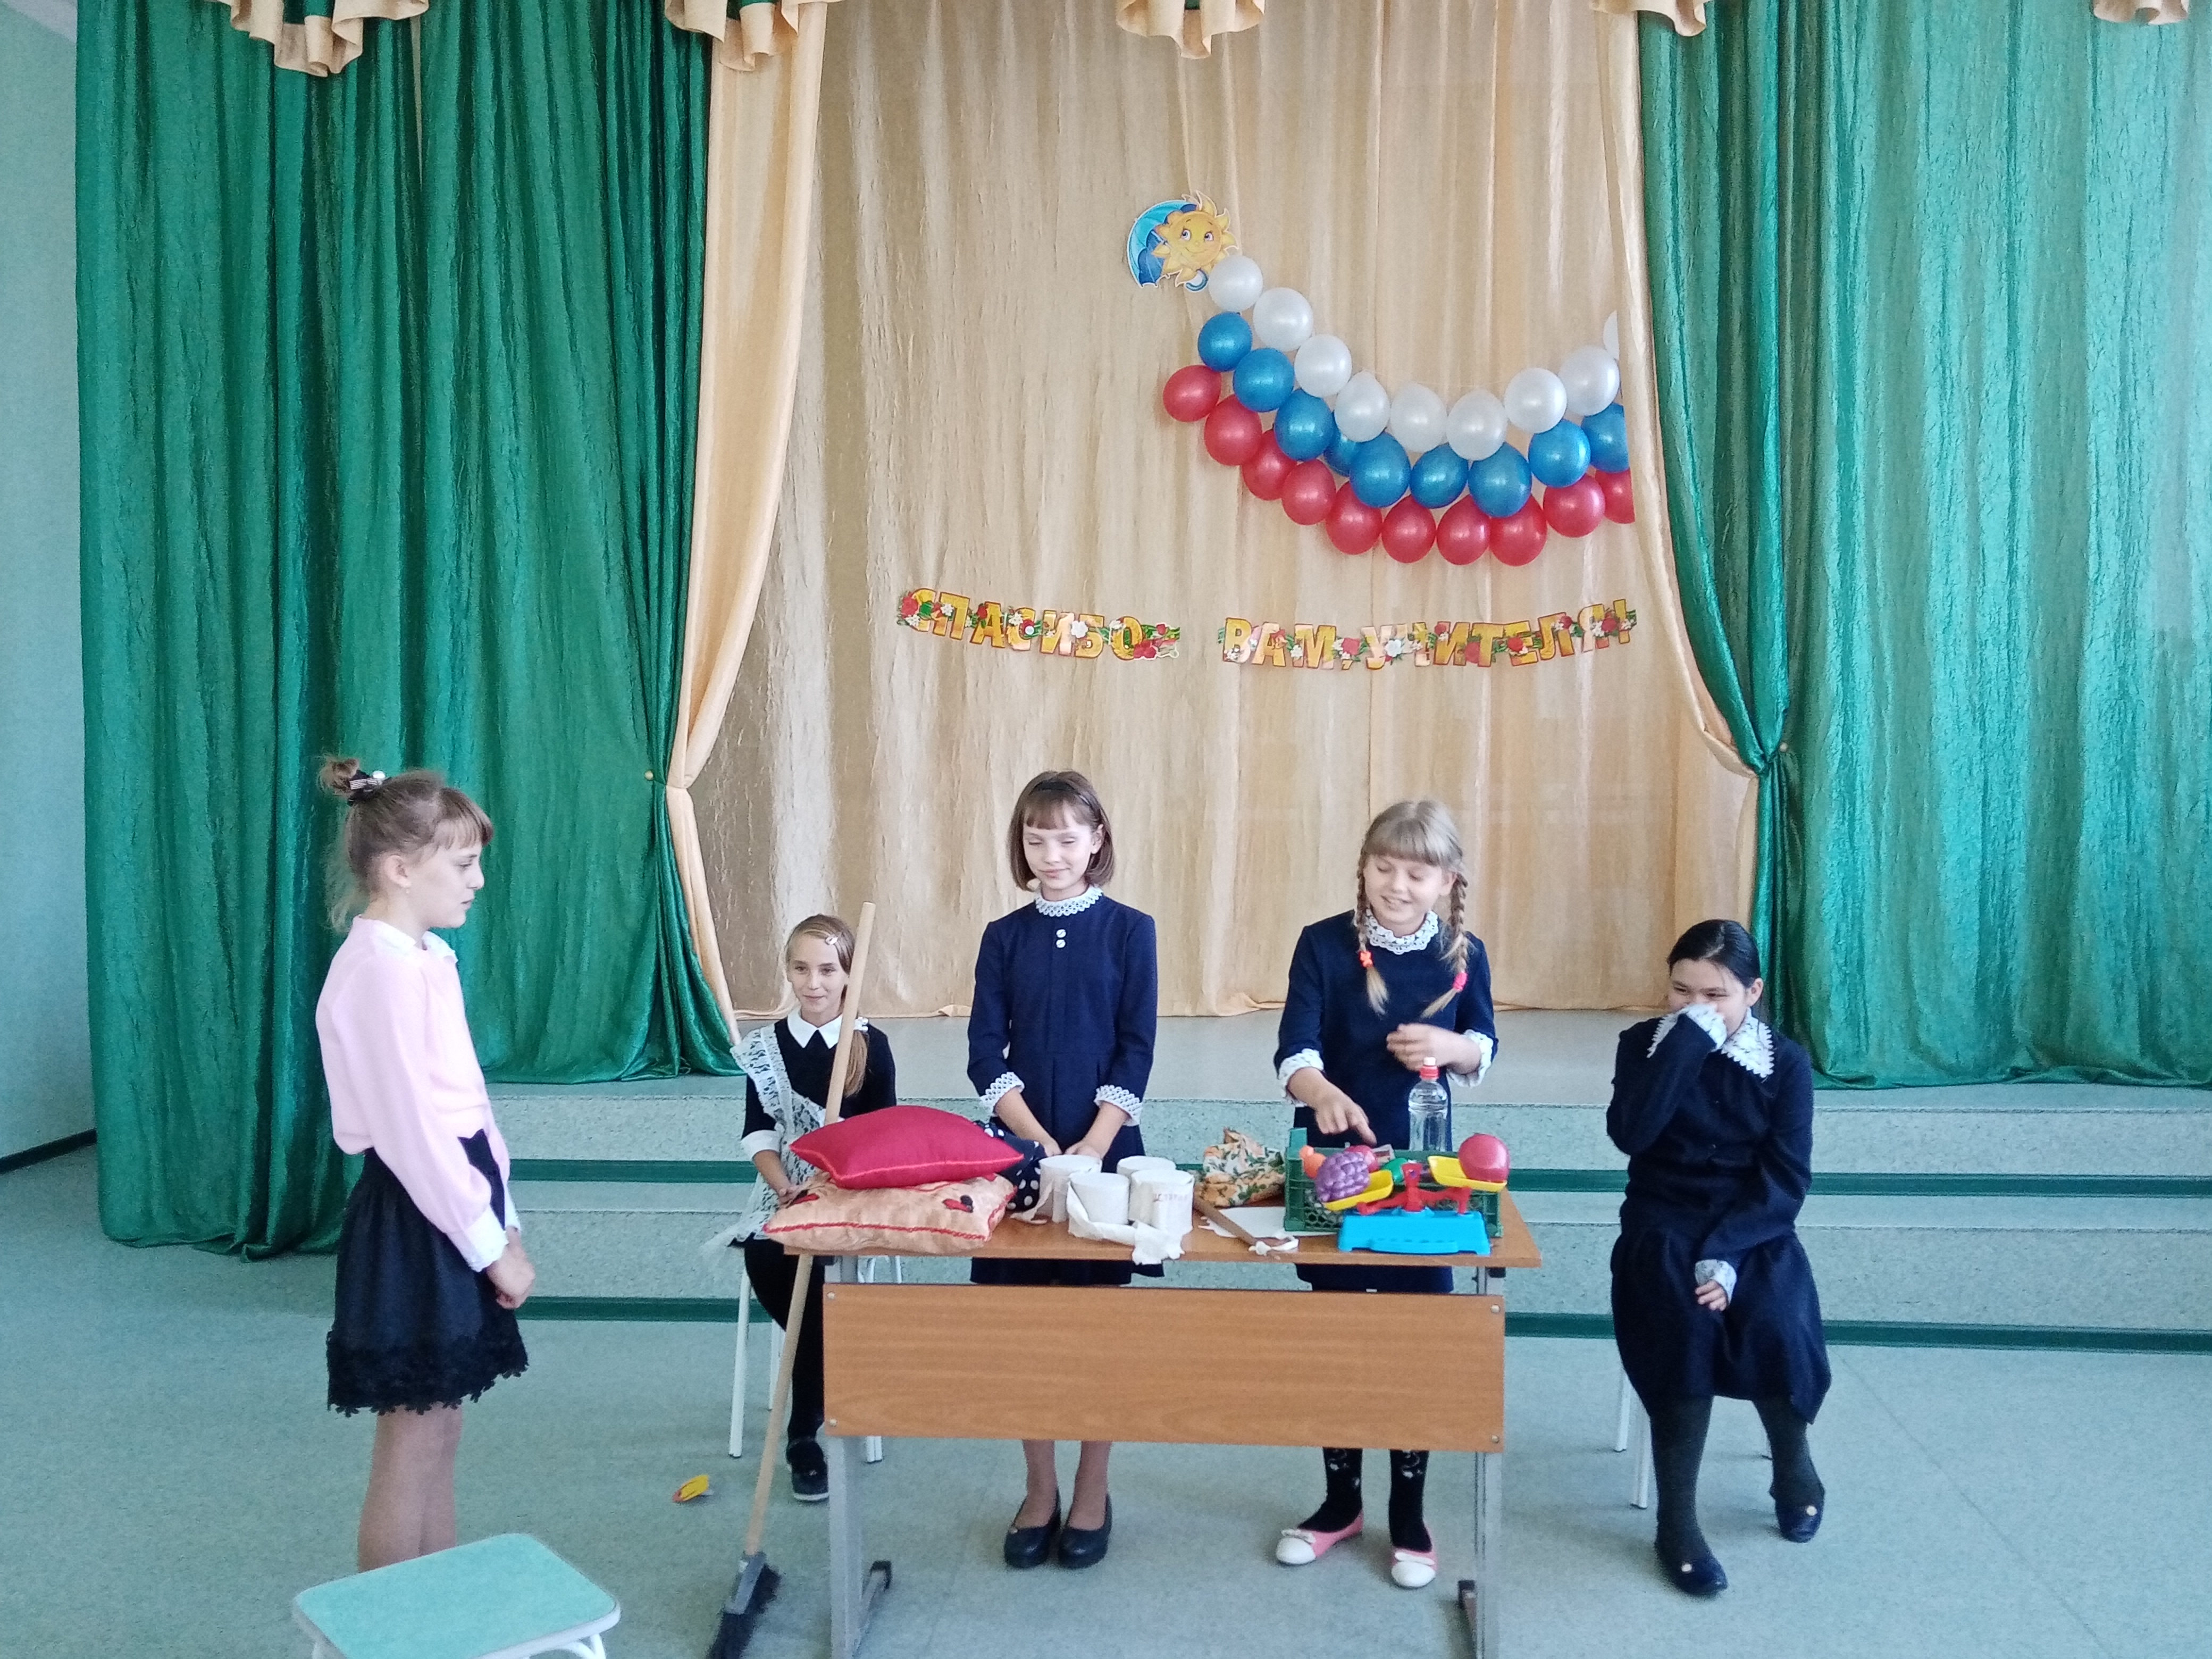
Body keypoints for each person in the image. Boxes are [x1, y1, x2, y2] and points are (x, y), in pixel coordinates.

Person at [1271, 799, 1496, 1590]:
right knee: (1337, 1343)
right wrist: (1320, 1092)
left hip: (1424, 1185)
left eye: (1417, 873)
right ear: (1363, 866)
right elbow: (1293, 1050)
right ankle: (1339, 1504)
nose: (1397, 885)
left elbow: (1484, 1047)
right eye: (1384, 867)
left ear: (1447, 881)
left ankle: (1409, 1512)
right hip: (1333, 1174)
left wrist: (1452, 1045)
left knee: (1412, 1346)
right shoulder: (1322, 943)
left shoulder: (1463, 954)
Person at [316, 759, 533, 1572]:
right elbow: (413, 1137)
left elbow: (469, 1109)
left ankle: (440, 1607)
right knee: (409, 1441)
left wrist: (507, 1221)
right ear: (401, 870)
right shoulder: (376, 972)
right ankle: (390, 1623)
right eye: (464, 864)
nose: (478, 881)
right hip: (417, 1217)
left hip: (456, 1203)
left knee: (443, 1424)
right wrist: (489, 1246)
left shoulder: (425, 959)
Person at [968, 770, 1158, 1571]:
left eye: (1068, 838)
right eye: (1036, 838)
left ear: (1097, 840)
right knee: (1024, 1335)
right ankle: (1039, 1488)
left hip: (1104, 1154)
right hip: (1021, 1155)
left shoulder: (1131, 931)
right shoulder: (1002, 937)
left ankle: (1092, 1488)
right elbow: (984, 1053)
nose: (1052, 853)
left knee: (1096, 1331)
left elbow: (1136, 1048)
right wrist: (1040, 1144)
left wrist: (1090, 1144)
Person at [1608, 919, 1829, 1596]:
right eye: (1681, 991)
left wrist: (1726, 1255)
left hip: (1752, 1223)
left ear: (1752, 993)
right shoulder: (1642, 1046)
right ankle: (1675, 1522)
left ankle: (1793, 1466)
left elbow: (1786, 1177)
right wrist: (1683, 1047)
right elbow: (1630, 1134)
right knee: (1684, 1326)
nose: (1696, 1007)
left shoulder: (1783, 1064)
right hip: (1662, 1219)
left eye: (1715, 995)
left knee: (1776, 1318)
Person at [732, 915, 898, 1502]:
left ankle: (802, 1436)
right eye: (801, 969)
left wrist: (838, 1182)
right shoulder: (766, 1048)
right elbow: (758, 1134)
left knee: (823, 1284)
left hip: (852, 1196)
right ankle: (825, 1386)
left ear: (849, 975)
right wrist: (784, 1188)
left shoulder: (870, 1045)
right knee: (770, 1261)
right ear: (787, 971)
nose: (814, 982)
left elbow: (884, 1139)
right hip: (785, 1192)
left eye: (828, 970)